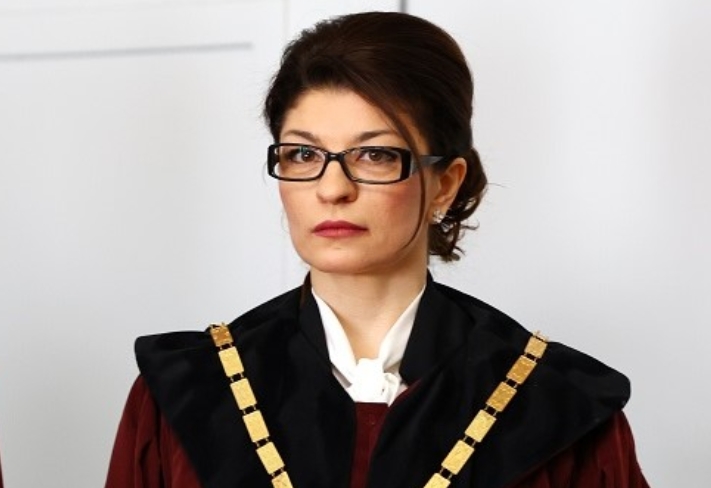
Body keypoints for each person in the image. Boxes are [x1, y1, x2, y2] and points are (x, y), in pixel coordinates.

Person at [106, 11, 649, 488]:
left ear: (445, 184)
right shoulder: (186, 395)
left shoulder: (558, 406)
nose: (332, 188)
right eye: (302, 154)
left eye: (375, 155)